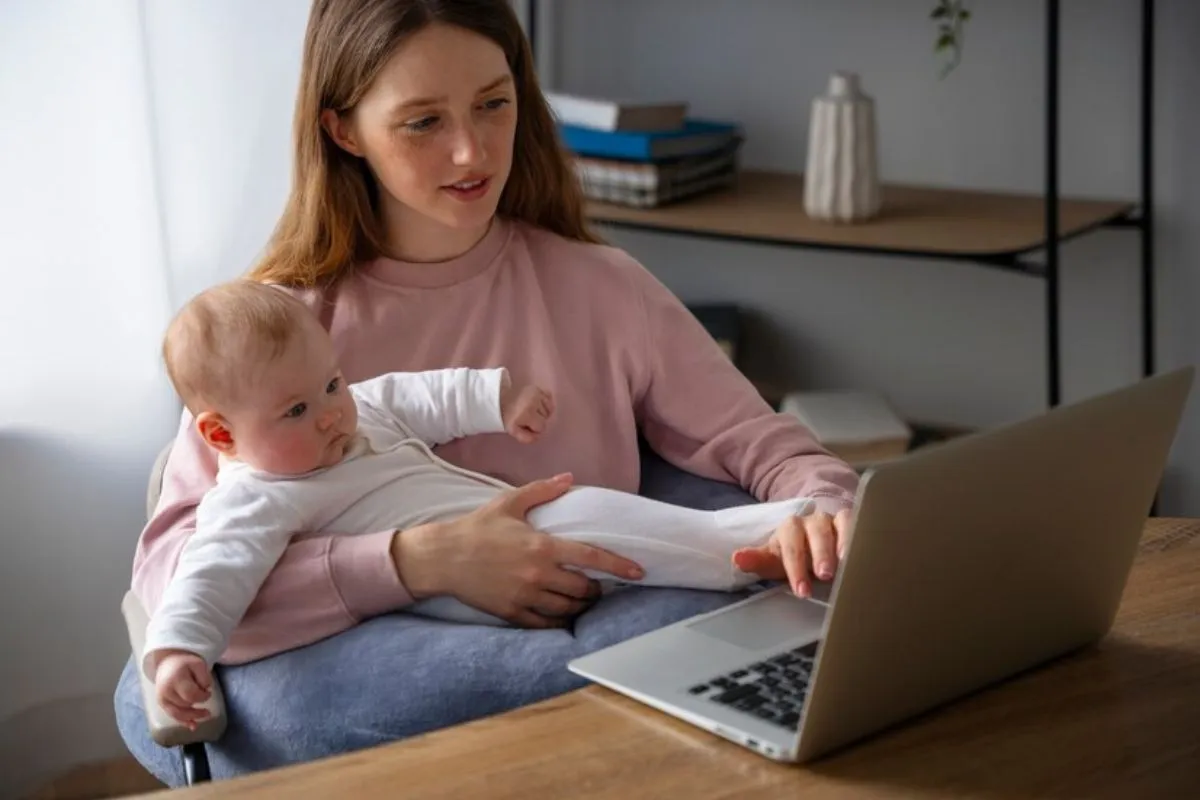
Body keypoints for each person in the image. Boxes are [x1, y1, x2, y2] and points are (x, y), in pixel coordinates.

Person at [116, 0, 859, 784]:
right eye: (422, 122)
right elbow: (178, 578)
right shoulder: (279, 333)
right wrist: (416, 562)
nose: (472, 151)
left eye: (493, 105)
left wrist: (827, 510)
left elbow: (761, 442)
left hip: (597, 618)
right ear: (343, 131)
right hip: (404, 686)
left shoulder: (602, 288)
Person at [147, 279, 820, 727]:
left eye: (331, 384)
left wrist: (500, 400)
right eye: (296, 409)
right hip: (459, 590)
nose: (330, 415)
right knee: (585, 516)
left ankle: (775, 541)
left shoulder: (358, 413)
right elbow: (210, 572)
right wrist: (179, 650)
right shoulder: (253, 497)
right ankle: (753, 544)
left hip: (498, 539)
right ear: (220, 433)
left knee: (595, 529)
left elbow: (423, 395)